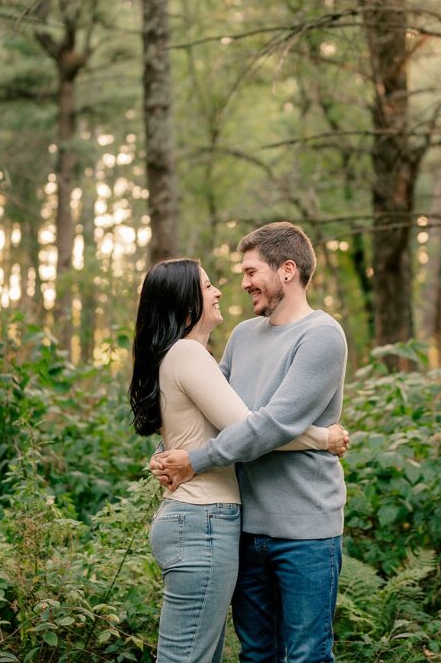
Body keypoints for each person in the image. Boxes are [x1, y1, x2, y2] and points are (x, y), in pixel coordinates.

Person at [131, 251, 347, 663]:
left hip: (237, 521)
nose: (226, 289)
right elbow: (247, 426)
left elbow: (232, 424)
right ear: (185, 300)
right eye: (209, 284)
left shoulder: (318, 334)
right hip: (206, 520)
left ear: (288, 270)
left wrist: (185, 454)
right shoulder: (199, 352)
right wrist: (321, 437)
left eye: (250, 271)